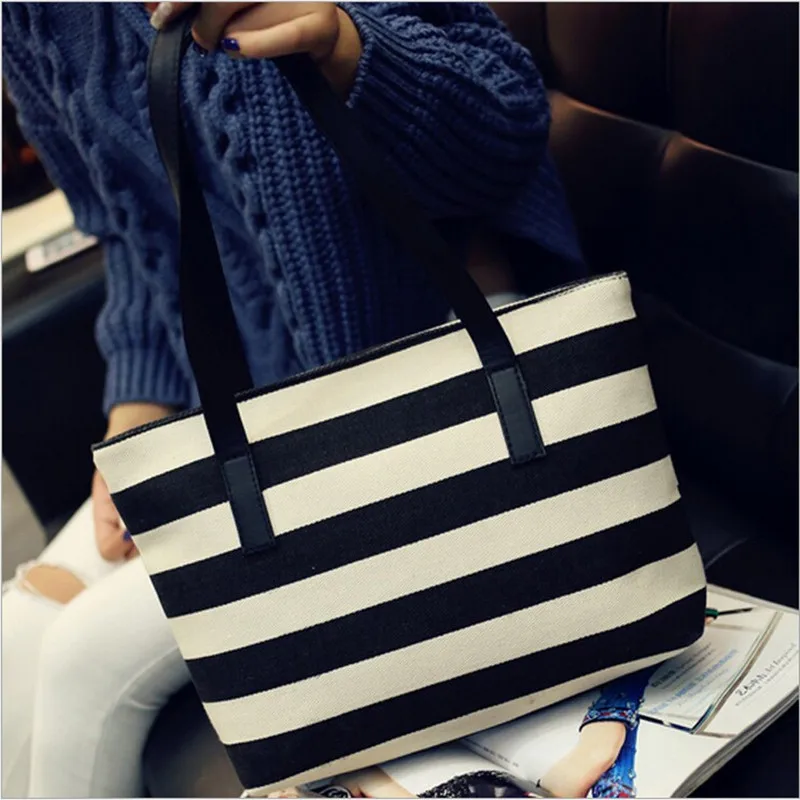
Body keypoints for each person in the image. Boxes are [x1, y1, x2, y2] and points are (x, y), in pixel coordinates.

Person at [1, 2, 584, 797]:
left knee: (83, 659)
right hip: (261, 409)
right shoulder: (29, 18)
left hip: (443, 369)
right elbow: (136, 234)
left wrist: (346, 45)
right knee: (18, 635)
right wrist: (136, 429)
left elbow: (509, 127)